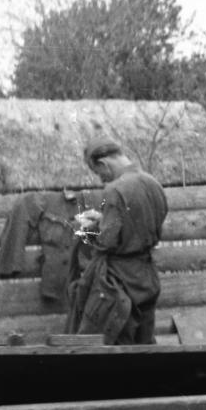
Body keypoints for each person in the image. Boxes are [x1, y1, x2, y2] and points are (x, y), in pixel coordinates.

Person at [65, 138, 169, 345]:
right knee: (143, 345)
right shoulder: (154, 184)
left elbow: (107, 241)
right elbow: (140, 224)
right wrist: (104, 219)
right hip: (147, 277)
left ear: (104, 163)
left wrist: (89, 229)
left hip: (118, 282)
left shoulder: (115, 189)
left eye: (98, 172)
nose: (101, 179)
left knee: (106, 345)